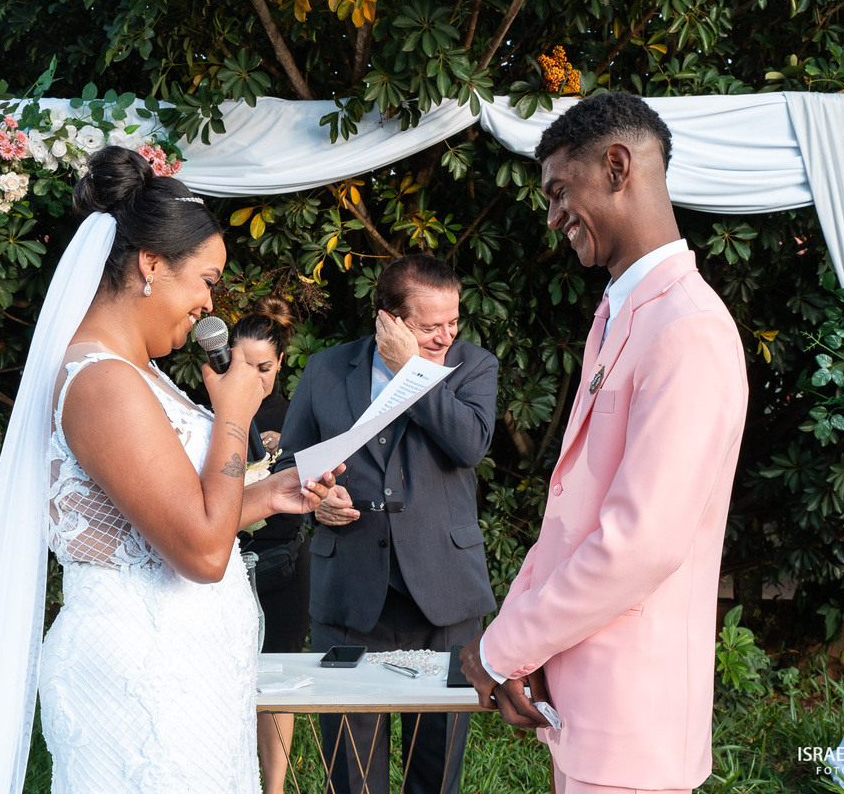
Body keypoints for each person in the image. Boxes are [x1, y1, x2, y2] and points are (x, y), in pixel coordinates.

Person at [460, 92, 749, 794]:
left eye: (560, 189)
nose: (553, 214)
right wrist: (521, 639)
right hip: (586, 713)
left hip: (635, 726)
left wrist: (502, 649)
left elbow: (640, 540)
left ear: (618, 166)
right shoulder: (622, 314)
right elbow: (571, 515)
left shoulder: (687, 327)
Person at [37, 146, 339, 793]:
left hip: (185, 683)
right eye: (205, 280)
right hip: (141, 689)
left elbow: (177, 514)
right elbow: (202, 553)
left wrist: (270, 494)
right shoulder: (102, 382)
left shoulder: (137, 371)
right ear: (151, 265)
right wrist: (233, 412)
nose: (209, 304)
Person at [277, 254, 499, 794]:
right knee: (351, 773)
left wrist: (411, 371)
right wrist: (318, 496)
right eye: (430, 327)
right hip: (351, 593)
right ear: (388, 320)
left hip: (443, 595)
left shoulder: (473, 365)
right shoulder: (327, 369)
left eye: (454, 321)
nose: (447, 336)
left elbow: (469, 444)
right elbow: (289, 462)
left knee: (436, 770)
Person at [230, 295, 311, 794]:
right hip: (225, 564)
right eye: (242, 364)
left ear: (280, 363)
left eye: (264, 367)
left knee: (279, 675)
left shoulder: (302, 413)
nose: (255, 378)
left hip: (286, 561)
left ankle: (274, 788)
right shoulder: (207, 414)